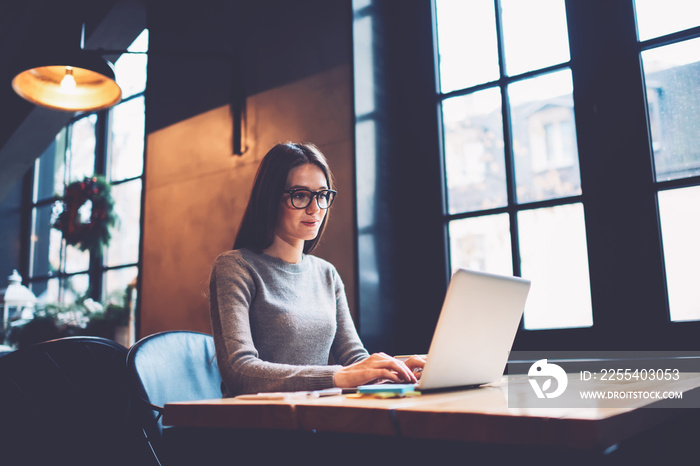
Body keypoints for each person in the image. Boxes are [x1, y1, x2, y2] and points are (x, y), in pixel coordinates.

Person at [209, 142, 424, 396]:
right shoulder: (236, 267)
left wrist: (395, 372)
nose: (315, 208)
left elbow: (354, 359)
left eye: (322, 195)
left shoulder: (326, 273)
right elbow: (240, 371)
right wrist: (338, 376)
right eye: (300, 195)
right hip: (259, 425)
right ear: (270, 198)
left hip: (316, 417)